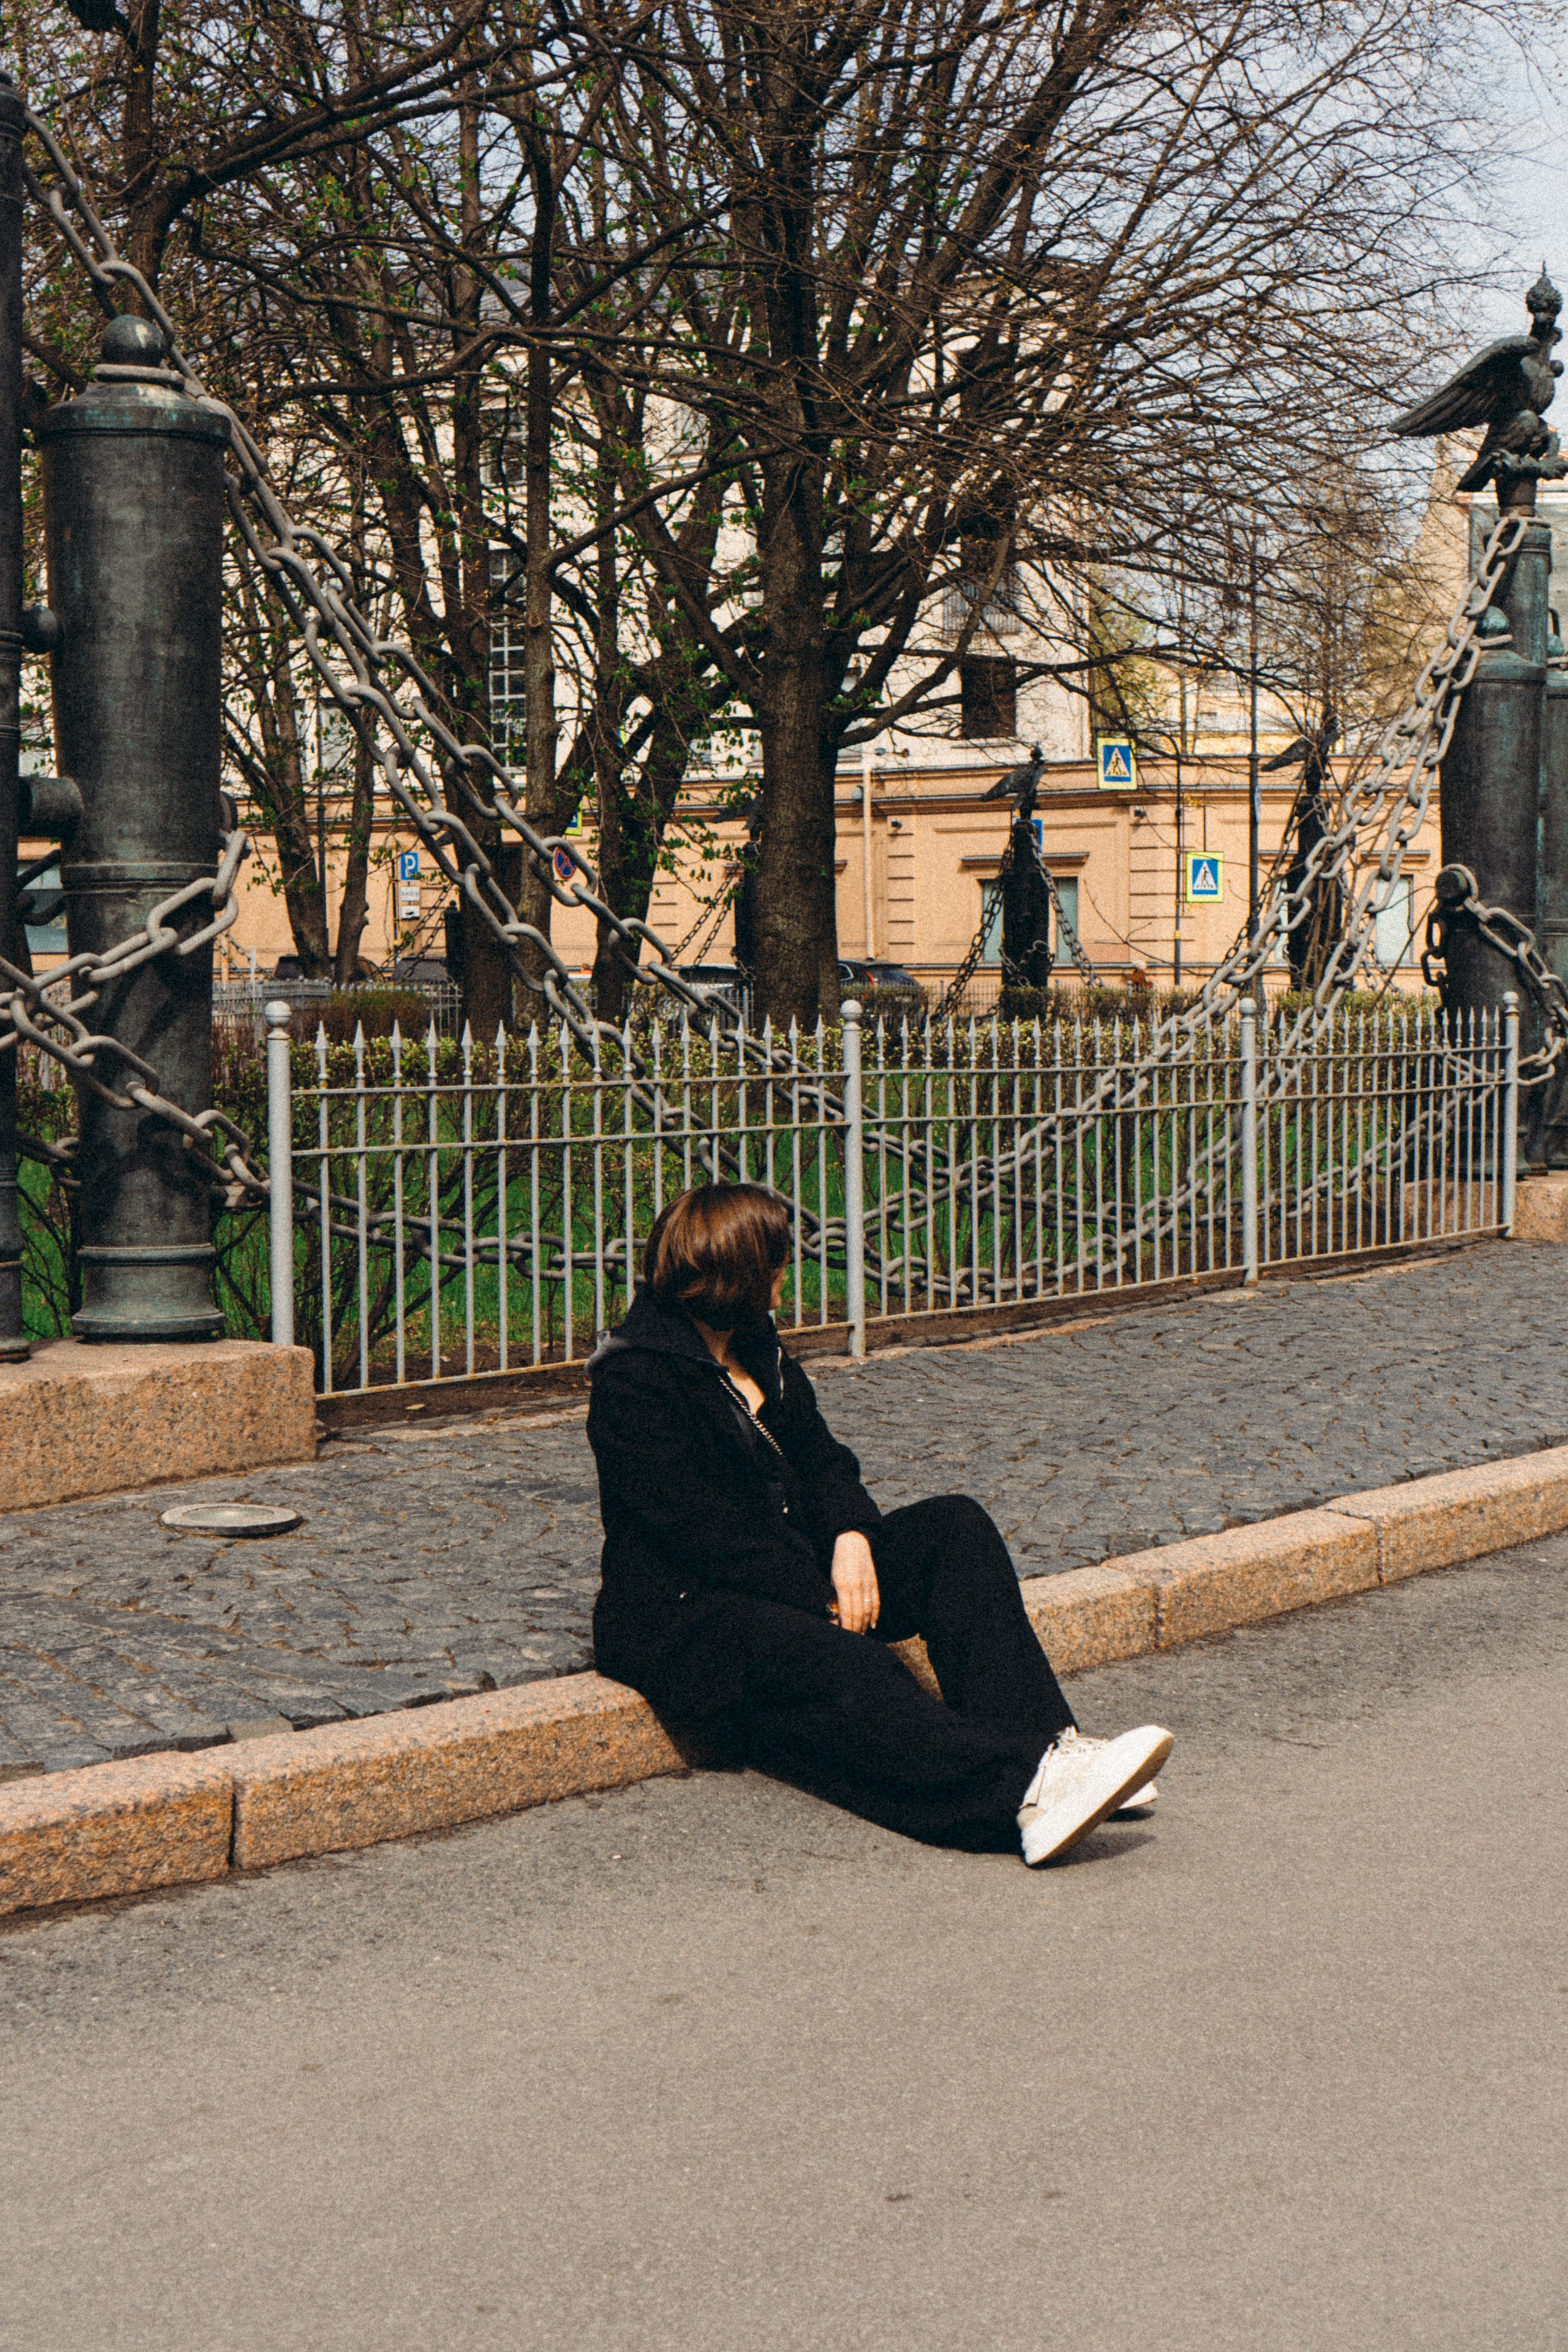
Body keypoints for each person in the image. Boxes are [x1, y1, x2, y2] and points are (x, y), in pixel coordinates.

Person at [586, 1183, 1172, 1866]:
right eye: (775, 1263)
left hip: (796, 1570)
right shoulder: (635, 1381)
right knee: (845, 1662)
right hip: (687, 1614)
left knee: (953, 1529)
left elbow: (824, 1461)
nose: (785, 1277)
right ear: (735, 1273)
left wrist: (852, 1540)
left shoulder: (756, 1350)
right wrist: (822, 1597)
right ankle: (1019, 1793)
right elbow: (700, 1533)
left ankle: (1050, 1752)